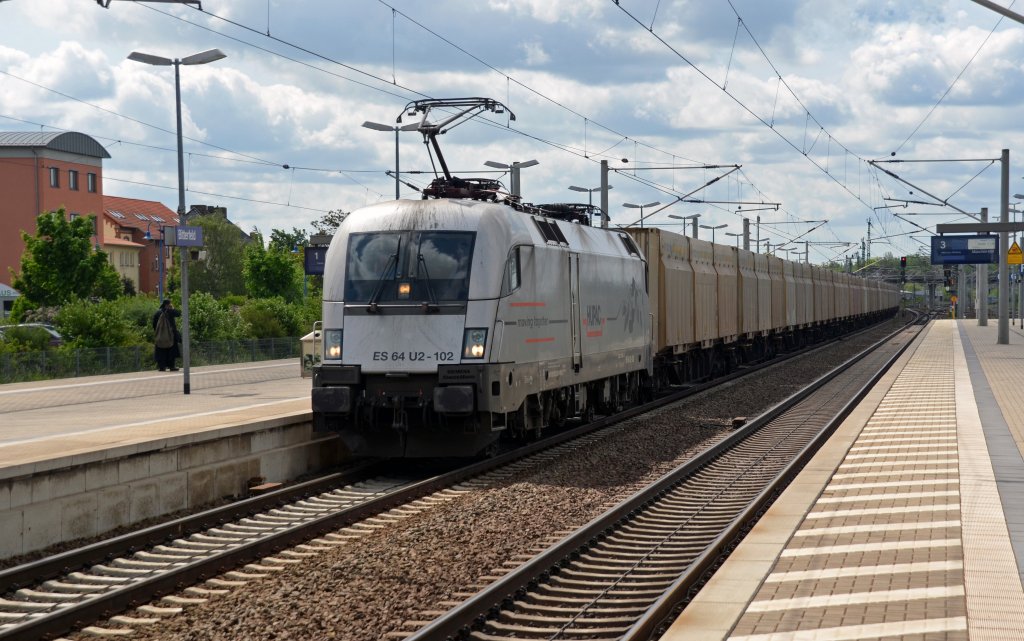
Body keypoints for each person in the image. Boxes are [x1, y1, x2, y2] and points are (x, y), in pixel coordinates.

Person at [152, 299, 182, 372]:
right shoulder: (170, 311)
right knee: (172, 351)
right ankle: (172, 366)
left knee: (160, 351)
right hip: (171, 335)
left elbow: (154, 324)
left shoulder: (158, 312)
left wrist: (158, 332)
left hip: (160, 336)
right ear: (168, 305)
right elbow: (179, 313)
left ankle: (162, 367)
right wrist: (172, 308)